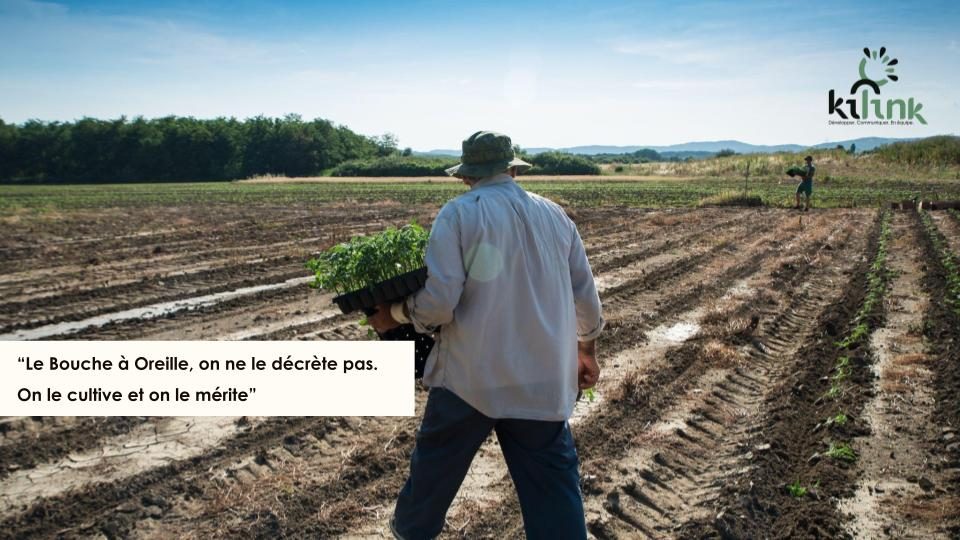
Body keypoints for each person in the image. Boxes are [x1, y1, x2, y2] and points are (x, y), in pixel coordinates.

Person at [368, 131, 604, 540]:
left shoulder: (459, 214)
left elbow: (440, 302)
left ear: (466, 176)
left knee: (433, 476)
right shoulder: (555, 216)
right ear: (513, 168)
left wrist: (394, 314)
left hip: (469, 379)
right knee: (553, 490)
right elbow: (587, 298)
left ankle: (409, 533)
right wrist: (587, 351)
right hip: (543, 382)